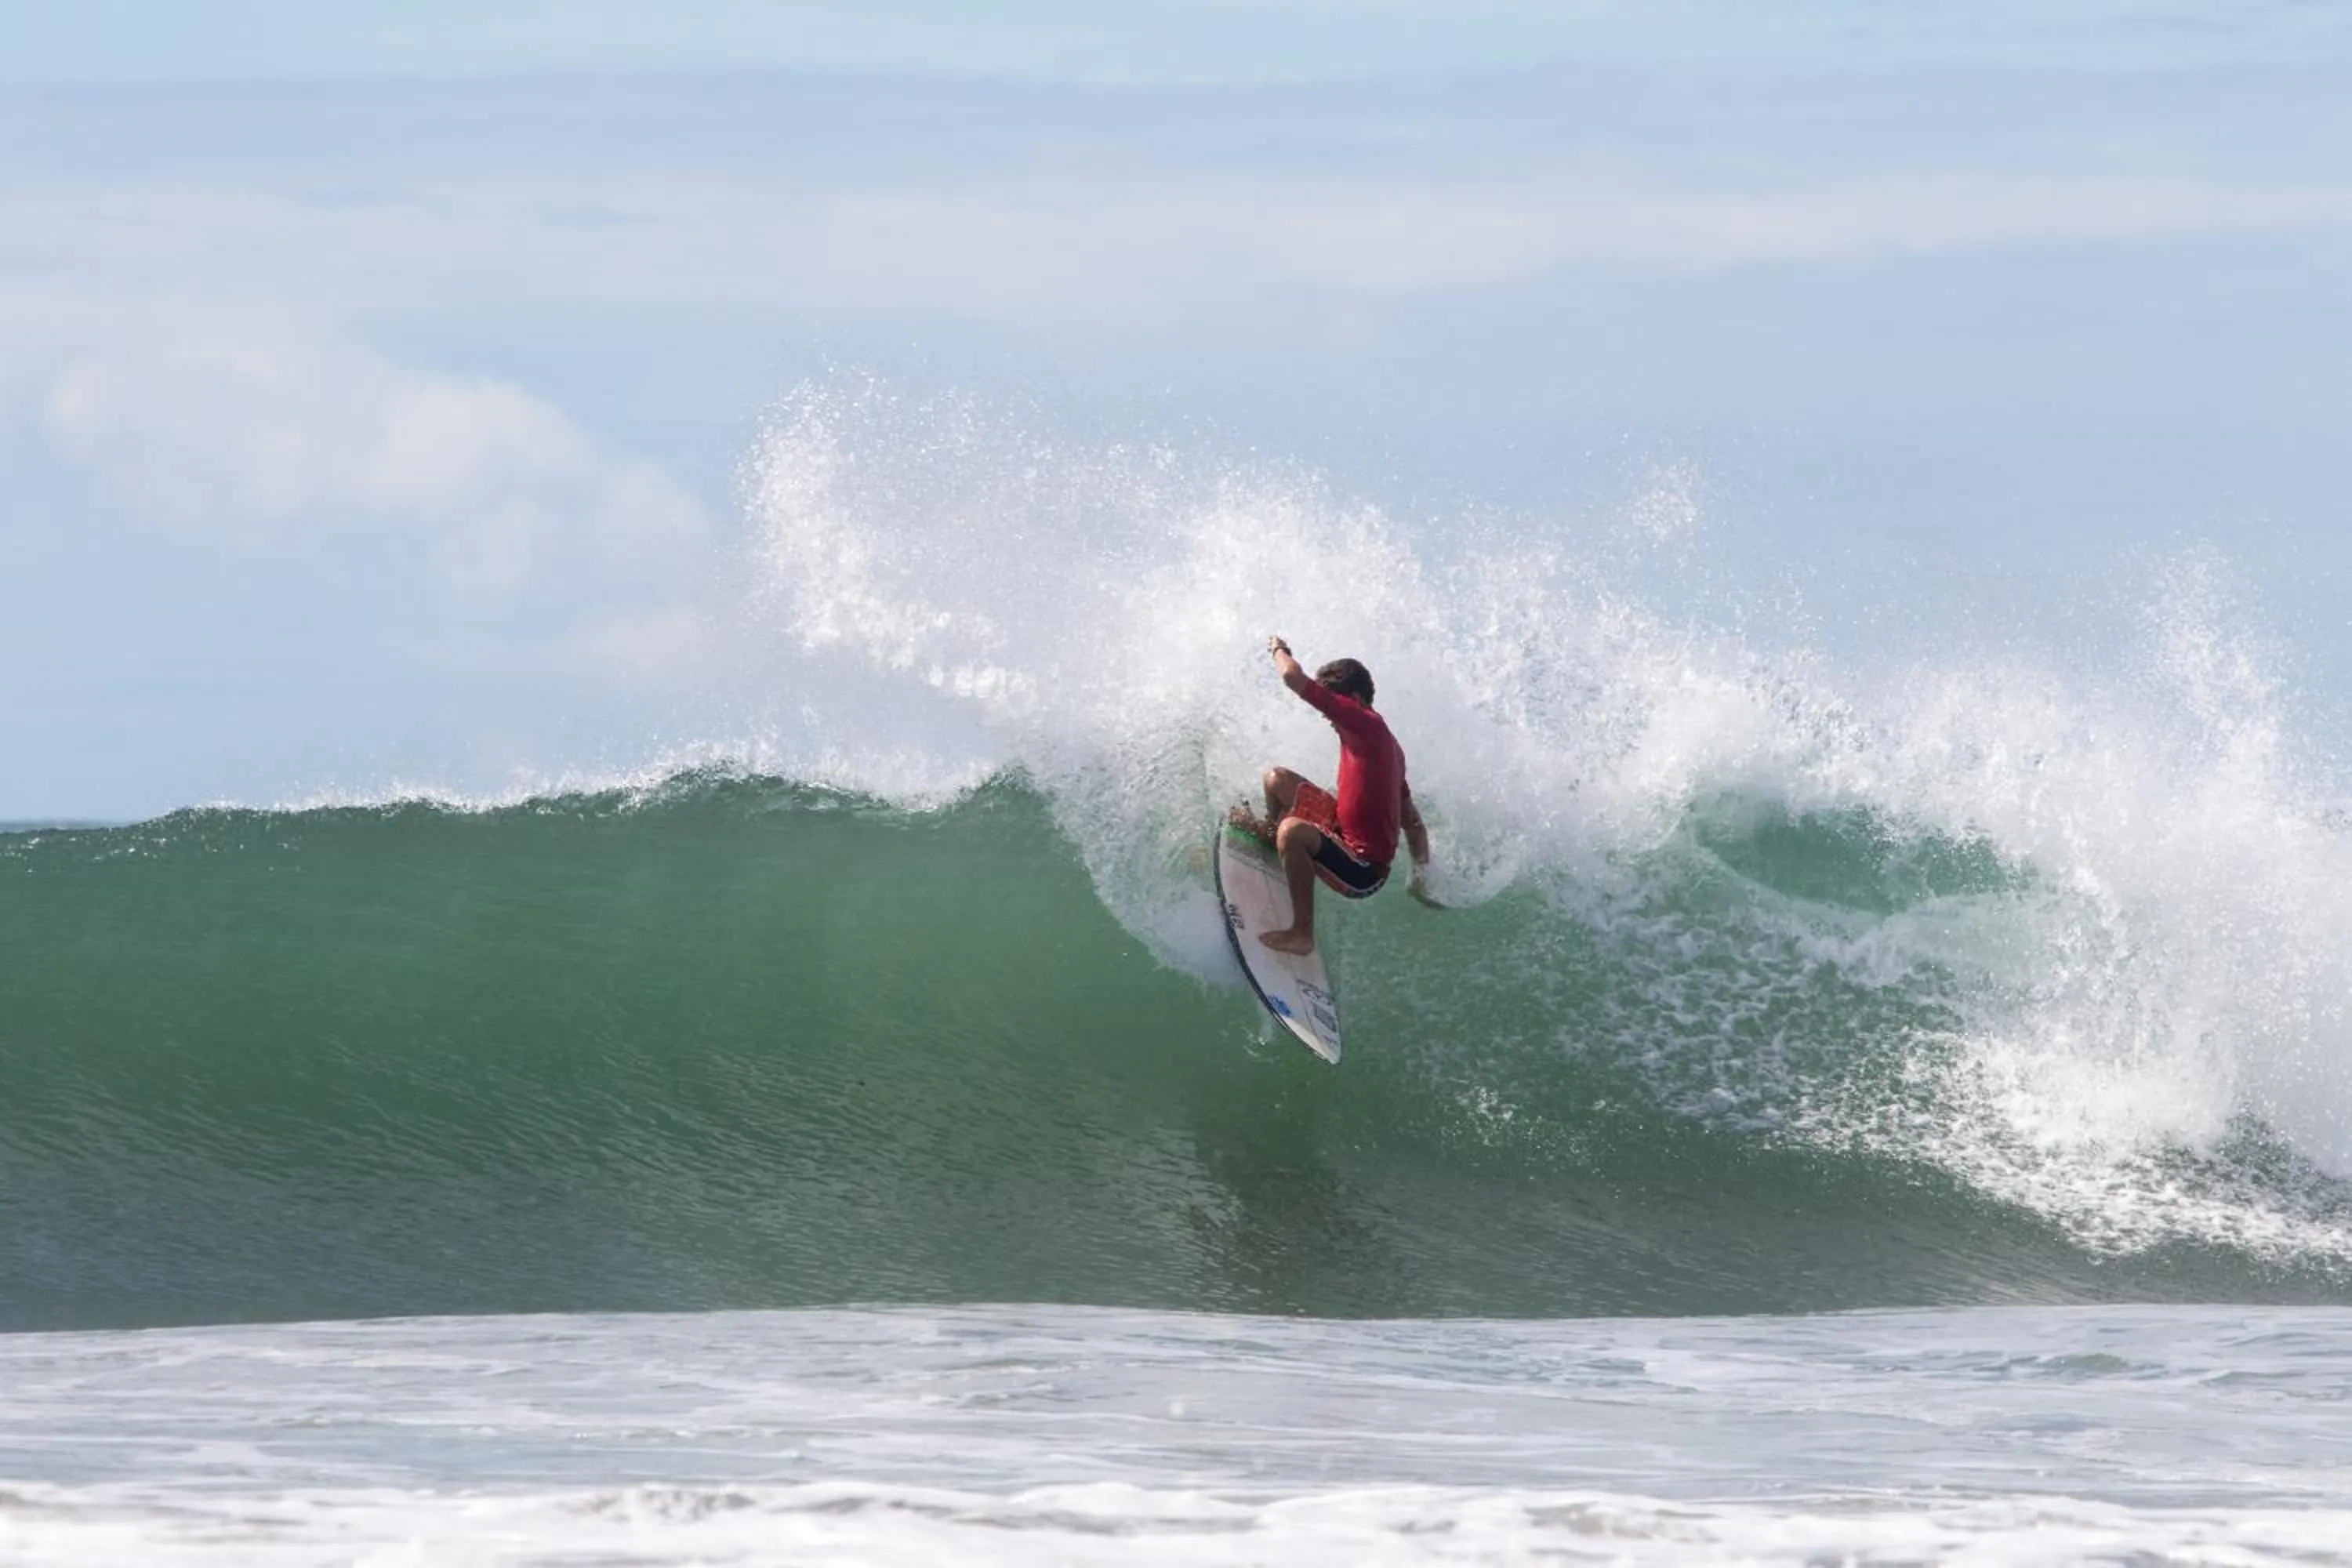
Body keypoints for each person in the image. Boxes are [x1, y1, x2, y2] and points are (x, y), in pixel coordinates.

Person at [1232, 635, 1432, 956]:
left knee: (1293, 831)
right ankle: (1276, 843)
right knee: (1276, 779)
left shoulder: (1365, 723)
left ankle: (1301, 934)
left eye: (1332, 705)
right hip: (1340, 831)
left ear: (1354, 699)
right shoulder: (1386, 744)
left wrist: (1278, 648)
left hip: (1363, 871)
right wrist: (1422, 879)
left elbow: (1292, 678)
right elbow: (1414, 824)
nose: (1328, 716)